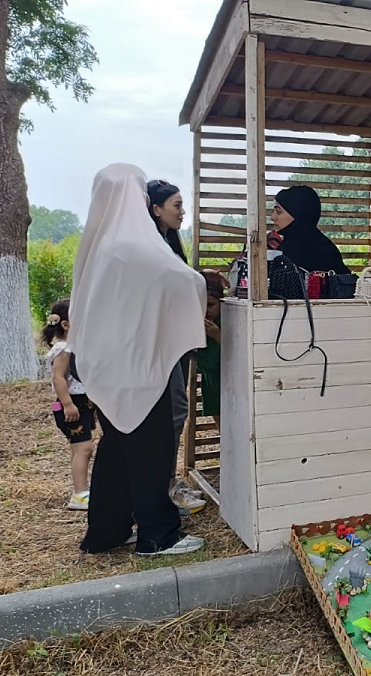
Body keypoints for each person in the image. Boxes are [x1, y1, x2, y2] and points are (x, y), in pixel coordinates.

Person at [71, 163, 208, 556]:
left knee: (117, 450)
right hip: (139, 367)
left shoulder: (99, 245)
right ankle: (157, 536)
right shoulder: (134, 245)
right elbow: (186, 281)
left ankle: (107, 531)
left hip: (106, 367)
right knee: (152, 449)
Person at [147, 179, 207, 516]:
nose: (183, 212)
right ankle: (164, 487)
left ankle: (168, 482)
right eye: (177, 205)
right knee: (173, 412)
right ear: (156, 209)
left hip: (175, 341)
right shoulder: (150, 247)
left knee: (177, 410)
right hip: (160, 344)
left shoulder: (167, 243)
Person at [41, 299, 96, 511]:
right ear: (65, 325)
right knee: (84, 448)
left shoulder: (74, 347)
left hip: (83, 404)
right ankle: (80, 494)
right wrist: (68, 404)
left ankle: (80, 489)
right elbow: (59, 378)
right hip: (74, 404)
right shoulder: (64, 348)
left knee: (78, 447)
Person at [273, 185, 350, 274]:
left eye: (278, 212)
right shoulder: (326, 247)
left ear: (298, 213)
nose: (273, 217)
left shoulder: (319, 252)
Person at [195, 273, 223, 432]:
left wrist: (217, 335)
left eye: (211, 305)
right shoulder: (197, 321)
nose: (206, 311)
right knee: (220, 423)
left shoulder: (228, 320)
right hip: (209, 377)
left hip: (224, 377)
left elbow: (237, 350)